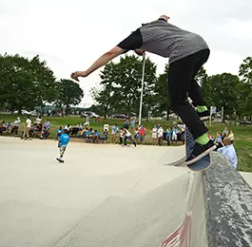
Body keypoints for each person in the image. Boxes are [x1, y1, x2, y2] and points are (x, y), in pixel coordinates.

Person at [70, 15, 215, 163]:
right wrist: (163, 17)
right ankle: (202, 108)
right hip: (202, 47)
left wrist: (86, 72)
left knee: (177, 101)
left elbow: (110, 54)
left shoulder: (135, 37)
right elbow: (163, 18)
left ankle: (203, 142)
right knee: (187, 79)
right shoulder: (157, 24)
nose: (142, 52)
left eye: (138, 50)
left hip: (183, 51)